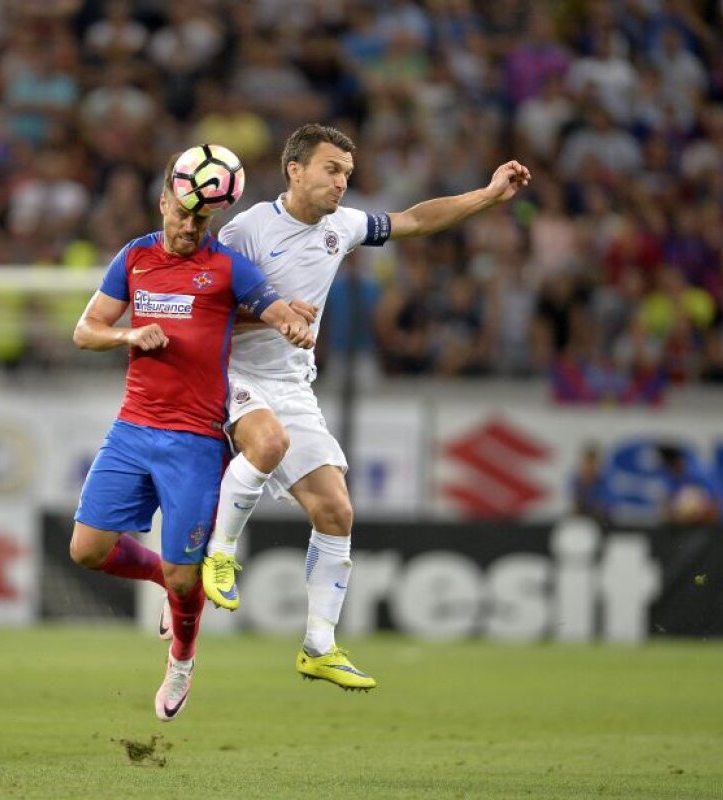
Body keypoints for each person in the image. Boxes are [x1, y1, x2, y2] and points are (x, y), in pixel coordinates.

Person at [201, 124, 531, 690]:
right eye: (331, 170)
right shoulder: (248, 230)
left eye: (348, 175)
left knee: (337, 512)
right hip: (237, 373)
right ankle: (221, 552)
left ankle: (319, 646)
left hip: (292, 383)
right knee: (267, 442)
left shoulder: (344, 227)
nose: (341, 184)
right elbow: (207, 311)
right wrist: (276, 313)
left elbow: (418, 220)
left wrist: (487, 194)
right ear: (295, 169)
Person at [68, 149, 315, 722]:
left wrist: (291, 322)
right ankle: (163, 577)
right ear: (164, 201)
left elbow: (269, 308)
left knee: (187, 581)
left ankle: (182, 658)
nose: (187, 226)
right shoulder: (133, 257)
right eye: (181, 213)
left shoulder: (227, 268)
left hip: (196, 441)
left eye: (200, 220)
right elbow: (85, 331)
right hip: (132, 428)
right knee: (86, 550)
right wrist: (129, 337)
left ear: (213, 220)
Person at [654, 443, 723, 527]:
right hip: (685, 528)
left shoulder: (703, 473)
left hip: (718, 527)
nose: (667, 470)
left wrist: (699, 516)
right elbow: (667, 505)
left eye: (668, 465)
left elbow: (719, 504)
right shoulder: (671, 477)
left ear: (676, 462)